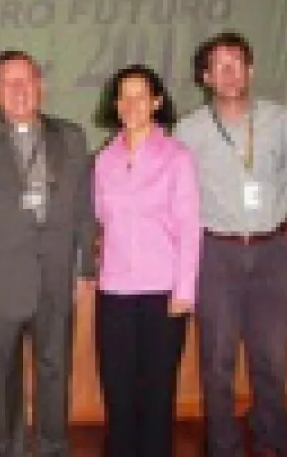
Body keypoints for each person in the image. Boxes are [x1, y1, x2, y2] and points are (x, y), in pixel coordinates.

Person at [0, 50, 96, 457]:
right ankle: (7, 449)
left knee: (55, 370)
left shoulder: (71, 137)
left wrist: (85, 267)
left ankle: (52, 447)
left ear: (40, 86)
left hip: (56, 275)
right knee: (2, 376)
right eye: (9, 83)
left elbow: (84, 209)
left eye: (27, 80)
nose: (19, 90)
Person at [175, 32, 287, 457]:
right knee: (217, 362)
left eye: (237, 63)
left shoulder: (280, 120)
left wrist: (270, 219)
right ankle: (223, 446)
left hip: (272, 251)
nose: (230, 73)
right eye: (220, 65)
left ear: (251, 70)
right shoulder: (189, 130)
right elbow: (181, 193)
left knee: (273, 360)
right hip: (216, 252)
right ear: (206, 77)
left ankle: (272, 442)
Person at [93, 65, 201, 457]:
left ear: (156, 102)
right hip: (114, 292)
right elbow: (100, 220)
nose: (131, 104)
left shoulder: (177, 157)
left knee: (157, 394)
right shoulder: (104, 159)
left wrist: (184, 291)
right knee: (118, 391)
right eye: (124, 96)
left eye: (140, 96)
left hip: (163, 292)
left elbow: (190, 227)